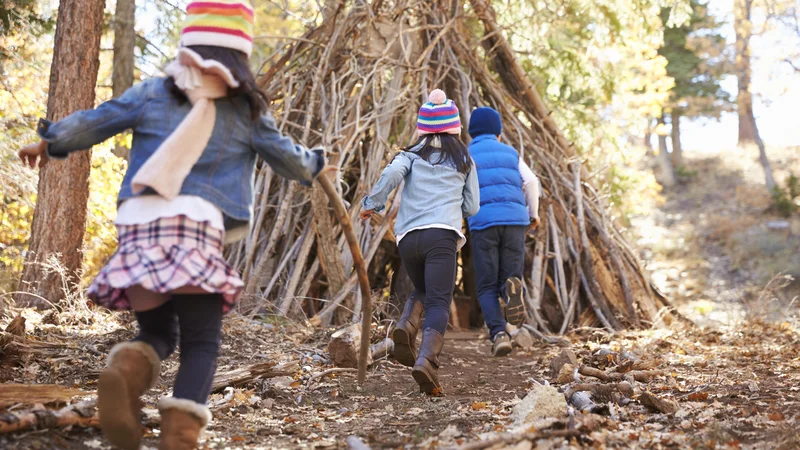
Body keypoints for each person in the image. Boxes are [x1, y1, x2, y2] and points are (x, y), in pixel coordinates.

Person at [17, 2, 326, 448]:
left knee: (157, 333)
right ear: (241, 53)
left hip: (140, 229)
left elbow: (99, 120)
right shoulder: (247, 112)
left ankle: (124, 373)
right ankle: (178, 439)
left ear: (188, 46)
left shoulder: (153, 92)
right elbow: (290, 160)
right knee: (201, 343)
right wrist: (317, 165)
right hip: (195, 231)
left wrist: (49, 142)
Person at [360, 89, 479, 394]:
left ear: (423, 128)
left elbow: (390, 175)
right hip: (441, 236)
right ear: (455, 128)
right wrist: (454, 208)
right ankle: (427, 360)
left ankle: (405, 326)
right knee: (439, 300)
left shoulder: (410, 155)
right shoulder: (464, 159)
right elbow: (473, 207)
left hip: (408, 238)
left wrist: (372, 204)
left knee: (423, 290)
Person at [466, 106, 541, 357]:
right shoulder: (511, 153)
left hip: (483, 222)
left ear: (471, 132)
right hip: (515, 222)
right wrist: (533, 213)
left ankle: (498, 334)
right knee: (509, 277)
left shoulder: (468, 154)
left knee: (486, 285)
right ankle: (511, 292)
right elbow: (531, 181)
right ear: (498, 132)